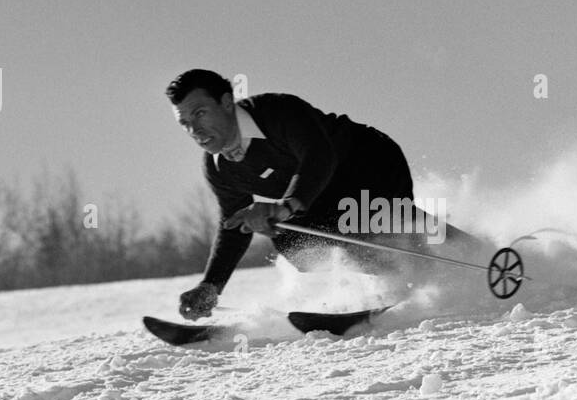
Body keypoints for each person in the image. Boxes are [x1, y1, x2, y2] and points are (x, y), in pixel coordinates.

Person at [166, 69, 477, 320]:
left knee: (365, 220)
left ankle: (469, 251)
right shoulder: (219, 167)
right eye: (185, 123)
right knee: (295, 242)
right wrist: (211, 285)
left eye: (200, 114)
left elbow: (319, 158)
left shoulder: (277, 112)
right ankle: (412, 279)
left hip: (367, 160)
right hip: (320, 197)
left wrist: (286, 205)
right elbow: (233, 227)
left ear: (225, 101)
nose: (194, 129)